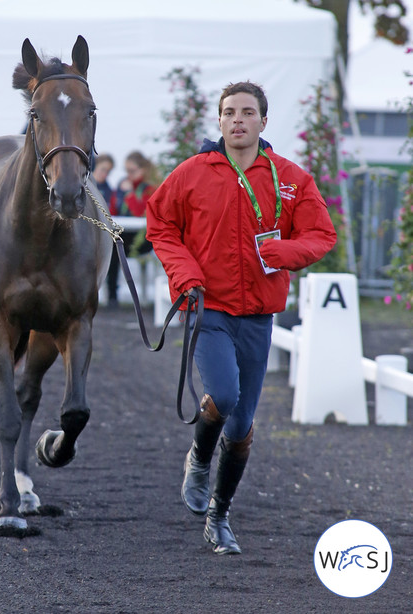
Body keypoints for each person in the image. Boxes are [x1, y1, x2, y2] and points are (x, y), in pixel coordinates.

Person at [146, 81, 337, 555]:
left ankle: (219, 515)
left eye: (247, 112)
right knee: (225, 394)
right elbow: (160, 223)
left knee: (243, 426)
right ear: (220, 121)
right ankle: (198, 459)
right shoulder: (192, 173)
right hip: (208, 307)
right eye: (229, 112)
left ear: (263, 122)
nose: (237, 120)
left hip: (258, 317)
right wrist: (185, 274)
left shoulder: (290, 177)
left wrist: (282, 251)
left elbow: (322, 234)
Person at [107, 151, 159, 307]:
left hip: (142, 239)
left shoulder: (149, 189)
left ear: (142, 170)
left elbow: (139, 213)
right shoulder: (122, 186)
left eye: (132, 171)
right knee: (113, 248)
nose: (129, 175)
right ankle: (112, 297)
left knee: (116, 248)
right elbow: (112, 212)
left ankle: (113, 296)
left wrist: (129, 194)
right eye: (127, 171)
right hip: (124, 236)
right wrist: (121, 194)